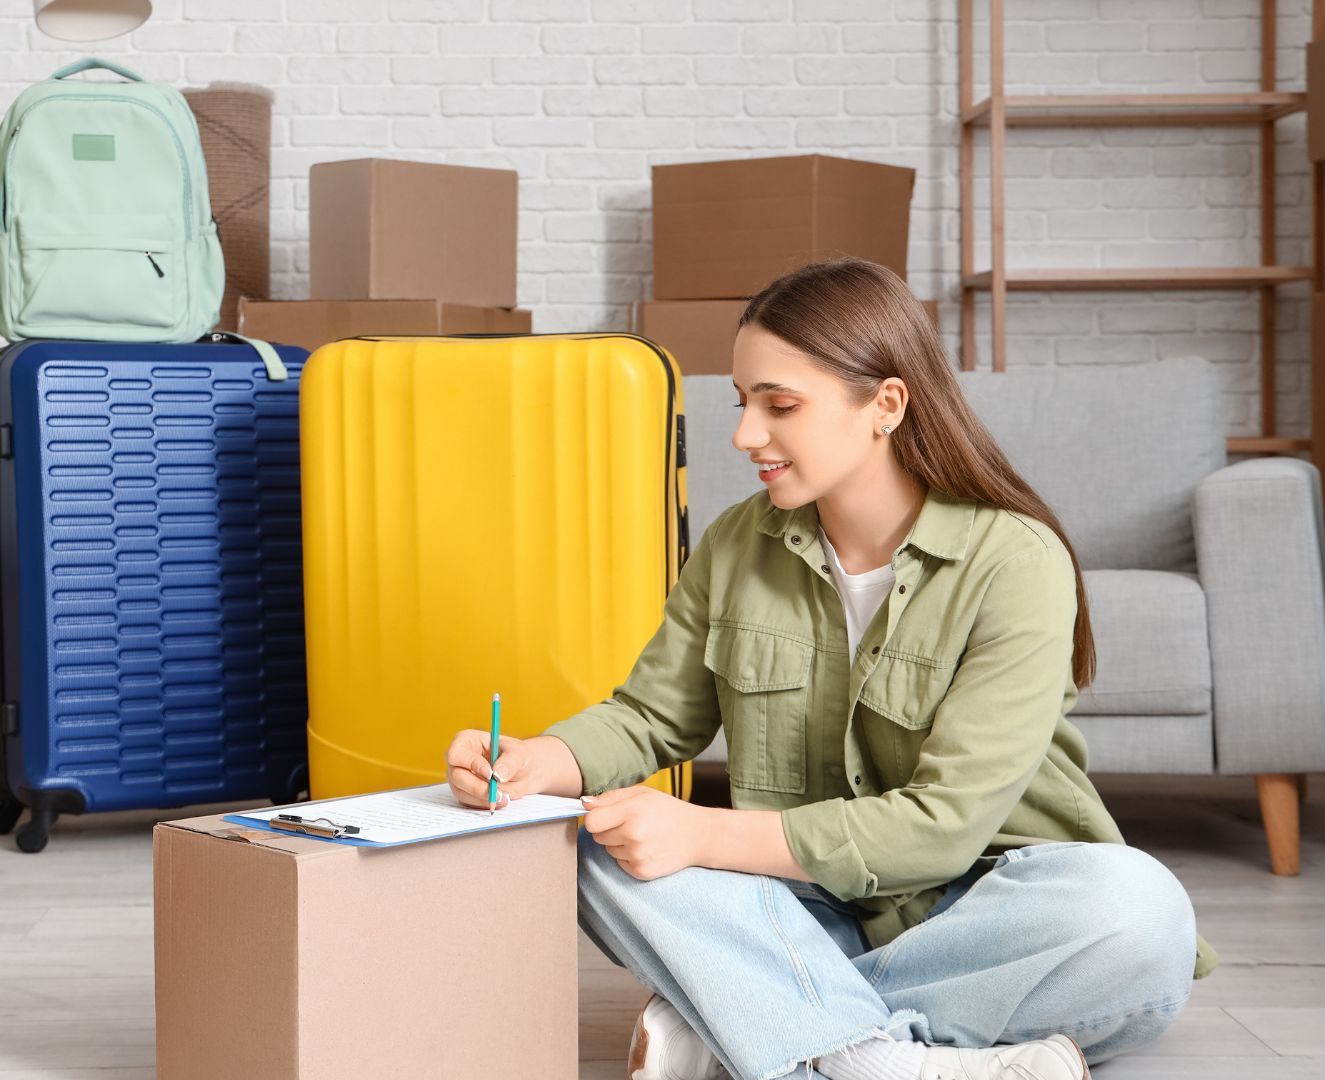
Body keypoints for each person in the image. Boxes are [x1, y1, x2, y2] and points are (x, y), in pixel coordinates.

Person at [443, 258, 1213, 1080]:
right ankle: (872, 1060)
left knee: (1137, 911)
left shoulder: (1015, 563)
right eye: (744, 403)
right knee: (586, 834)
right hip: (798, 903)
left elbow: (945, 826)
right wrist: (537, 763)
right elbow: (650, 717)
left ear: (885, 403)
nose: (744, 435)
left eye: (780, 406)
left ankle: (754, 1026)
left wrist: (703, 831)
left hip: (980, 910)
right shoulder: (739, 541)